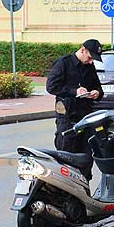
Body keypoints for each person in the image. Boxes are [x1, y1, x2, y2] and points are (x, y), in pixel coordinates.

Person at [46, 39, 104, 180]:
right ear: (82, 50)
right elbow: (51, 87)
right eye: (90, 57)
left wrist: (97, 93)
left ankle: (84, 189)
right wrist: (74, 91)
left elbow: (98, 87)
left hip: (86, 117)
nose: (91, 61)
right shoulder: (63, 63)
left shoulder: (89, 67)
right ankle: (66, 195)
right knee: (67, 157)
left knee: (86, 157)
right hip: (68, 119)